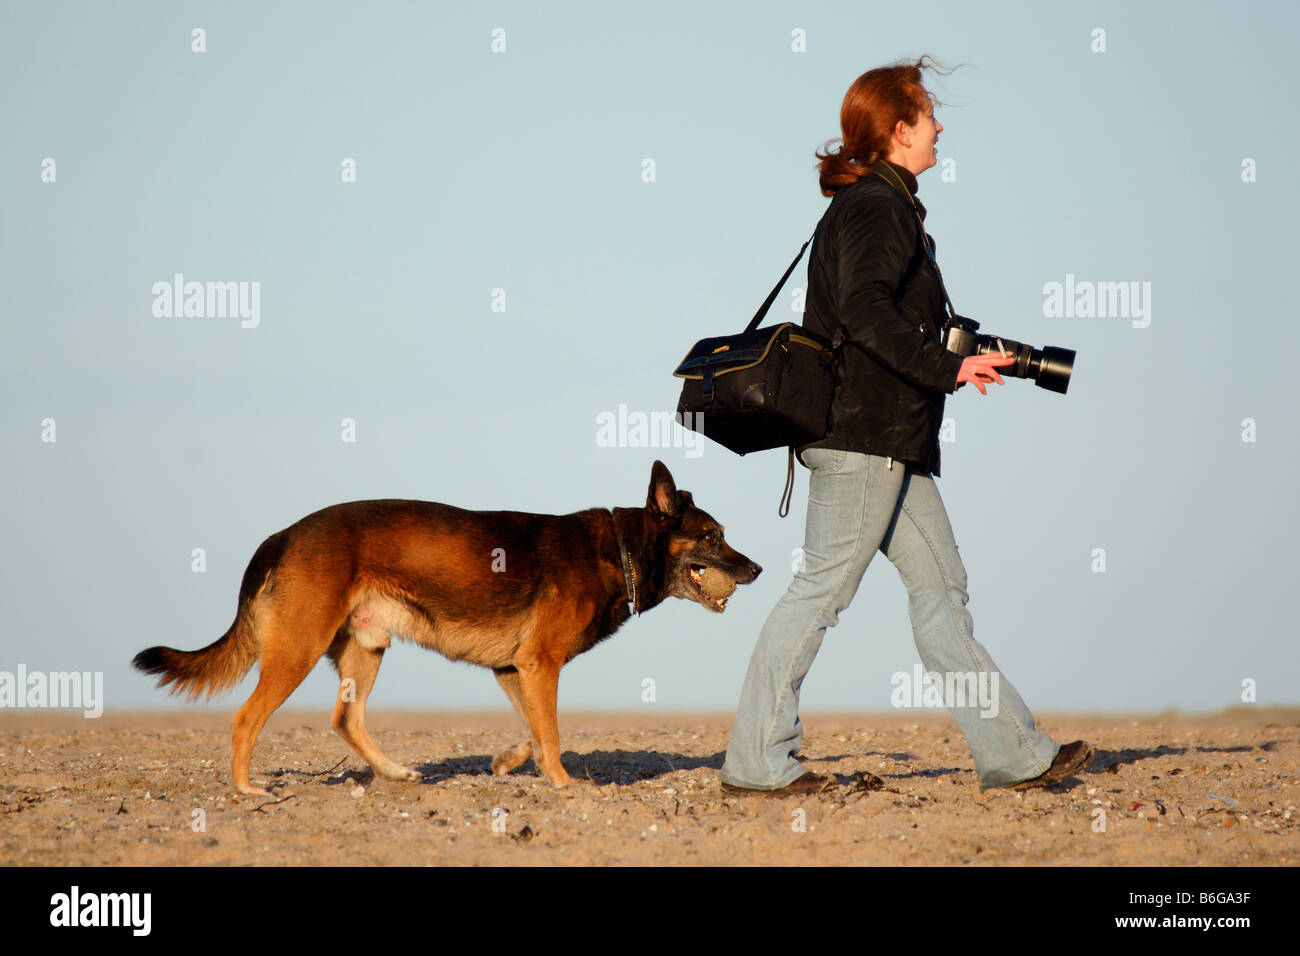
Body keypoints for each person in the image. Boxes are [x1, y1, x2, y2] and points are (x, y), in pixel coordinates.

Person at [719, 59, 1091, 796]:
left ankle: (1015, 754)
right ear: (897, 129)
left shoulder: (882, 206)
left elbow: (887, 315)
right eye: (928, 115)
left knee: (942, 593)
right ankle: (757, 761)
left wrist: (966, 354)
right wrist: (945, 369)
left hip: (891, 444)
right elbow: (863, 312)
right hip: (862, 440)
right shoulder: (875, 209)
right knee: (819, 592)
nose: (940, 126)